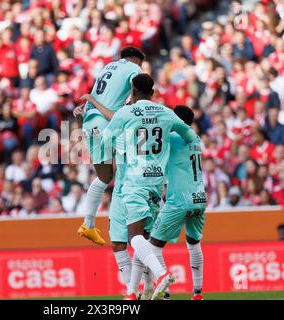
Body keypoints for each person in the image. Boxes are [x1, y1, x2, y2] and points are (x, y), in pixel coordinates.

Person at [87, 74, 198, 300]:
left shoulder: (125, 113)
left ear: (132, 90)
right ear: (153, 92)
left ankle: (161, 275)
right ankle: (140, 292)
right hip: (157, 183)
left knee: (134, 237)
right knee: (147, 239)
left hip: (134, 181)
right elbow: (190, 136)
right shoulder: (166, 112)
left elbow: (106, 141)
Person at [76, 46, 146, 246]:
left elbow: (97, 95)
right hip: (108, 122)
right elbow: (139, 88)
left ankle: (88, 224)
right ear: (136, 60)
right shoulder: (134, 67)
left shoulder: (107, 67)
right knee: (134, 155)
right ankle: (129, 214)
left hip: (89, 122)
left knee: (104, 176)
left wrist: (85, 108)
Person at [148, 105, 206, 301]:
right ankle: (197, 293)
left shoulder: (171, 139)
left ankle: (165, 294)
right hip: (199, 199)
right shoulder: (196, 139)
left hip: (179, 201)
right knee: (194, 244)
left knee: (153, 246)